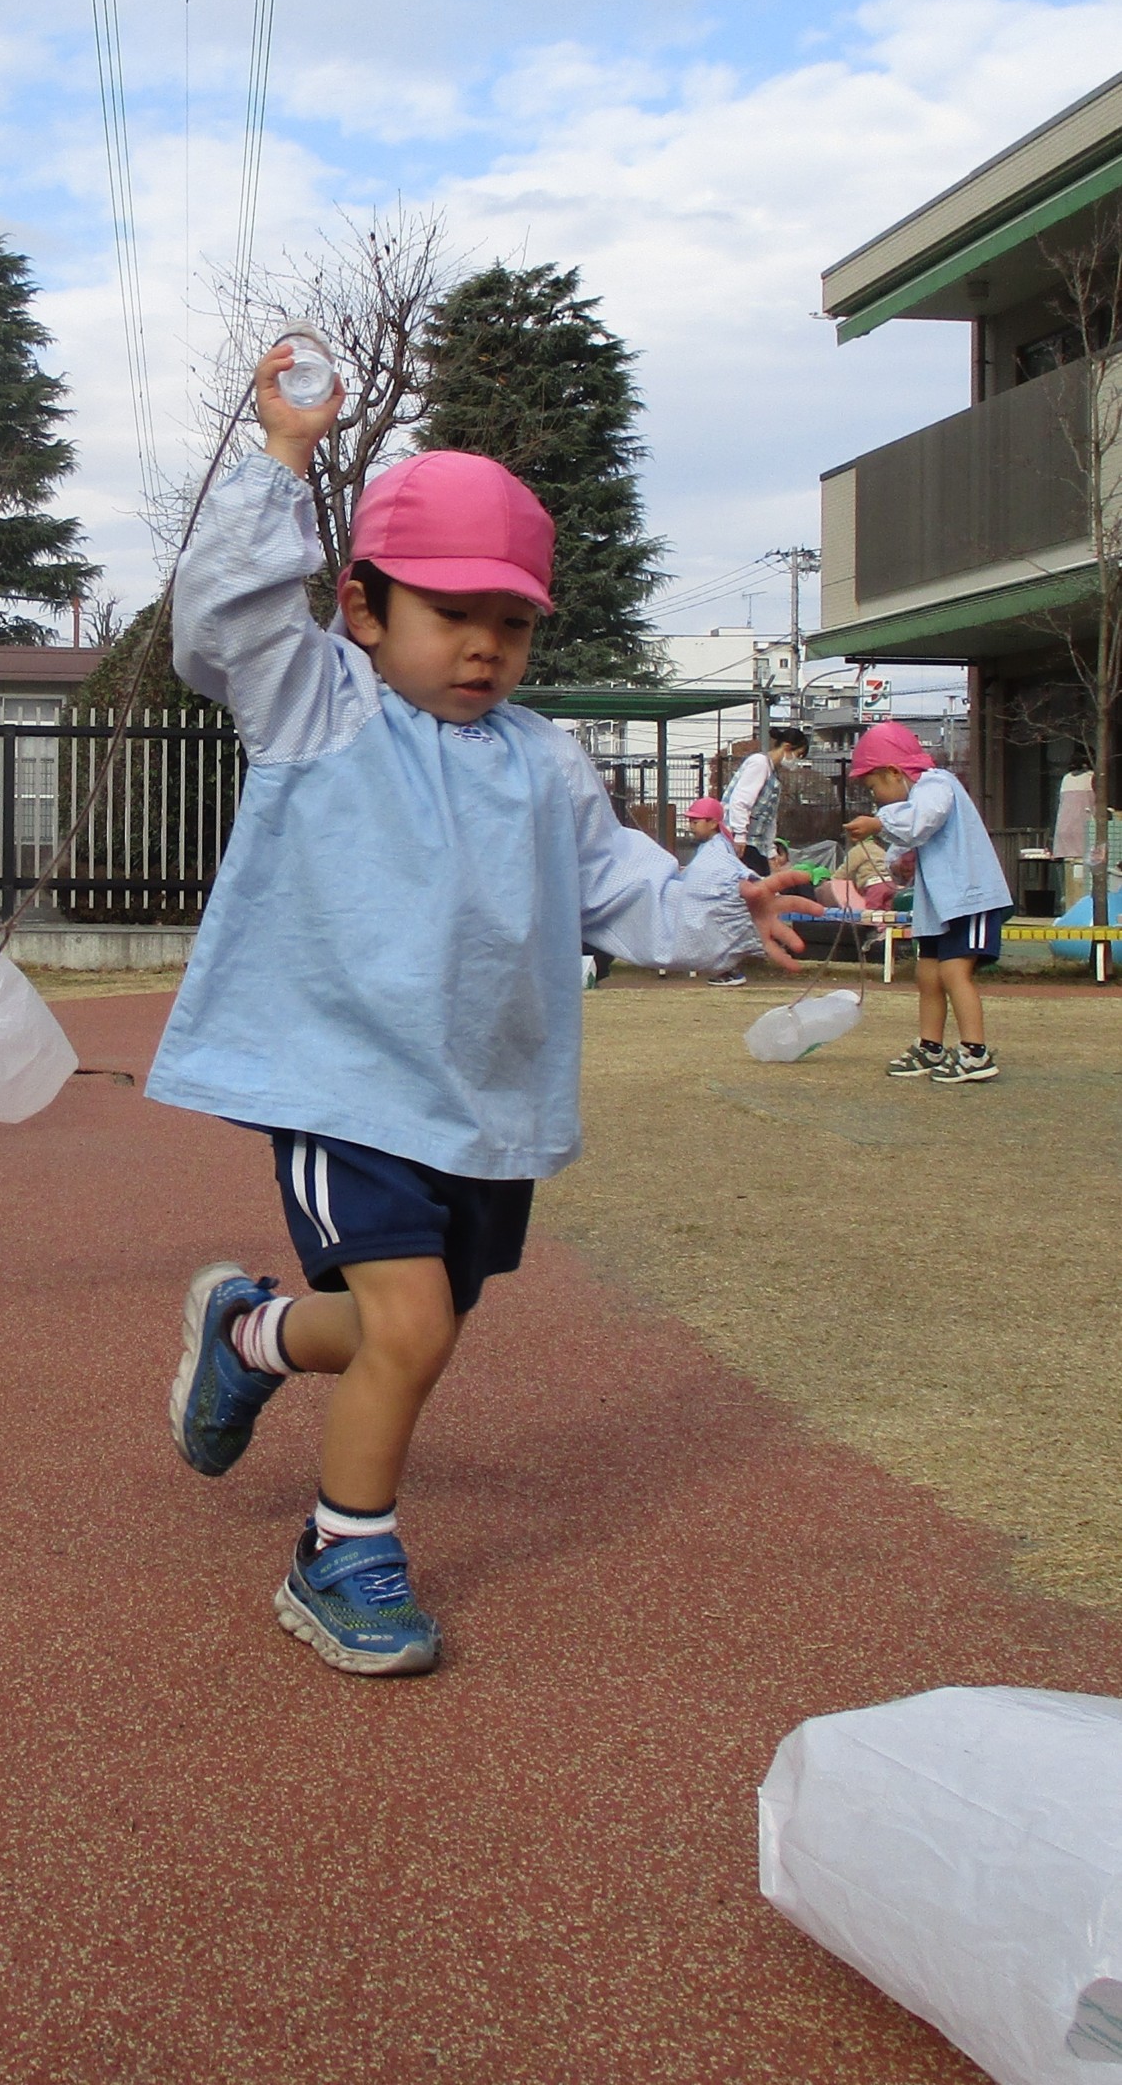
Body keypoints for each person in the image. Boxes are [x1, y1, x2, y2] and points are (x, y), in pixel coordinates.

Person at [151, 344, 820, 1678]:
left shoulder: (544, 758)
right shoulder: (316, 705)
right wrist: (280, 460)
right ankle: (340, 1552)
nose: (483, 646)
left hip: (478, 1096)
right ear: (362, 608)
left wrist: (714, 906)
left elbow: (616, 890)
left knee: (409, 1327)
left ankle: (249, 1335)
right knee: (410, 1326)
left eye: (511, 623)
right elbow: (223, 620)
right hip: (342, 1080)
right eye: (451, 612)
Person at [844, 721, 1011, 1084]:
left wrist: (878, 823)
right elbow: (911, 835)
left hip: (969, 896)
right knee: (928, 973)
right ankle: (930, 1046)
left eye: (874, 786)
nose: (876, 796)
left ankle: (975, 1053)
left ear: (894, 772)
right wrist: (896, 860)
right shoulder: (916, 799)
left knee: (954, 972)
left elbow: (924, 819)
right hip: (940, 901)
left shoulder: (936, 784)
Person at [721, 725, 810, 876]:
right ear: (787, 747)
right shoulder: (759, 763)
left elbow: (770, 817)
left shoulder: (772, 773)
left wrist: (770, 850)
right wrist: (740, 835)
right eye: (798, 755)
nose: (796, 761)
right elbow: (741, 800)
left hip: (754, 841)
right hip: (740, 839)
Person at [683, 797, 752, 984]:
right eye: (690, 821)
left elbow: (725, 871)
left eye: (695, 822)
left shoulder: (717, 847)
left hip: (721, 902)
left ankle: (730, 972)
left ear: (713, 823)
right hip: (718, 901)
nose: (691, 826)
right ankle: (726, 971)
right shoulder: (715, 844)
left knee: (715, 935)